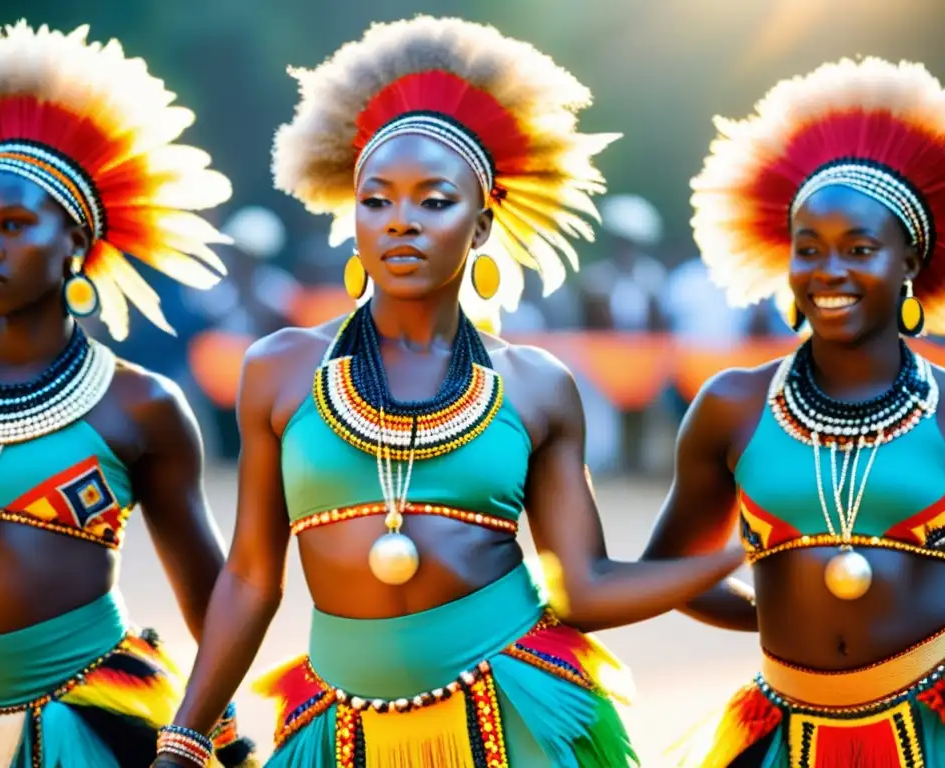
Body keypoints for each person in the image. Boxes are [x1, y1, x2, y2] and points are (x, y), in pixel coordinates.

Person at [151, 16, 744, 768]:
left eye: (434, 201)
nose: (401, 223)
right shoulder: (280, 368)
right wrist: (185, 737)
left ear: (483, 223)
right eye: (377, 200)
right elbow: (247, 579)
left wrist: (734, 562)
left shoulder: (535, 386)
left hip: (516, 719)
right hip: (339, 727)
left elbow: (584, 588)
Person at [0, 21, 256, 768]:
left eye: (12, 225)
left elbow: (213, 603)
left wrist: (195, 738)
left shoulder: (139, 407)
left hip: (81, 729)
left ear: (75, 242)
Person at [643, 57, 945, 766]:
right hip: (783, 733)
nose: (829, 273)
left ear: (910, 264)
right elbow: (669, 570)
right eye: (808, 250)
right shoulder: (732, 406)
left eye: (860, 250)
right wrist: (786, 612)